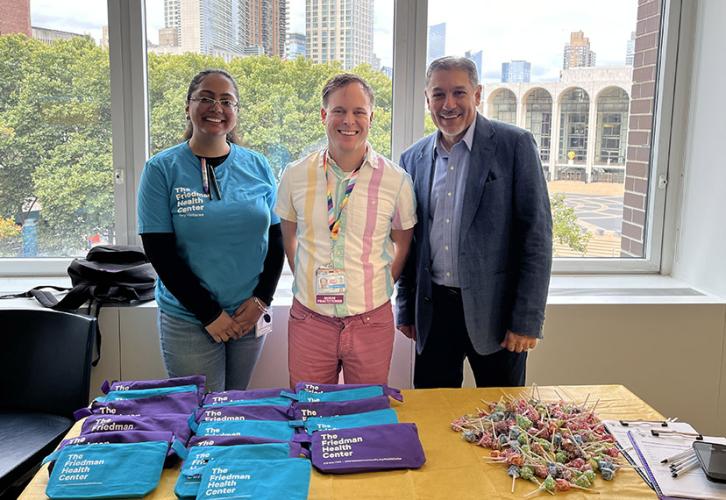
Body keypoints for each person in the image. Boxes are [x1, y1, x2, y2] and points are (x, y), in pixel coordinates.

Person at [395, 57, 552, 388]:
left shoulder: (515, 145)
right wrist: (407, 308)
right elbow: (411, 242)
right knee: (433, 420)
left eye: (458, 93)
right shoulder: (413, 158)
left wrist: (526, 319)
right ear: (427, 100)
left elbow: (536, 237)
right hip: (434, 313)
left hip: (497, 315)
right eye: (438, 94)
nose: (448, 104)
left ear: (477, 94)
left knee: (501, 424)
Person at [137, 69, 284, 393]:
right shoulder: (161, 169)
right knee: (202, 419)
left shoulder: (258, 165)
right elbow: (160, 252)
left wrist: (261, 300)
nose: (216, 107)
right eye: (205, 97)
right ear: (188, 106)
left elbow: (276, 239)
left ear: (236, 112)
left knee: (233, 409)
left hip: (248, 316)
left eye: (226, 101)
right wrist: (210, 313)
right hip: (190, 320)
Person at [276, 73, 416, 387]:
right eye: (339, 110)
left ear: (371, 117)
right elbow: (289, 236)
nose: (348, 121)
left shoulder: (396, 181)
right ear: (324, 115)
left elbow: (402, 245)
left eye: (358, 112)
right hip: (310, 320)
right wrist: (308, 279)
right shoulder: (295, 175)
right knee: (310, 411)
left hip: (371, 321)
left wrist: (375, 283)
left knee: (365, 415)